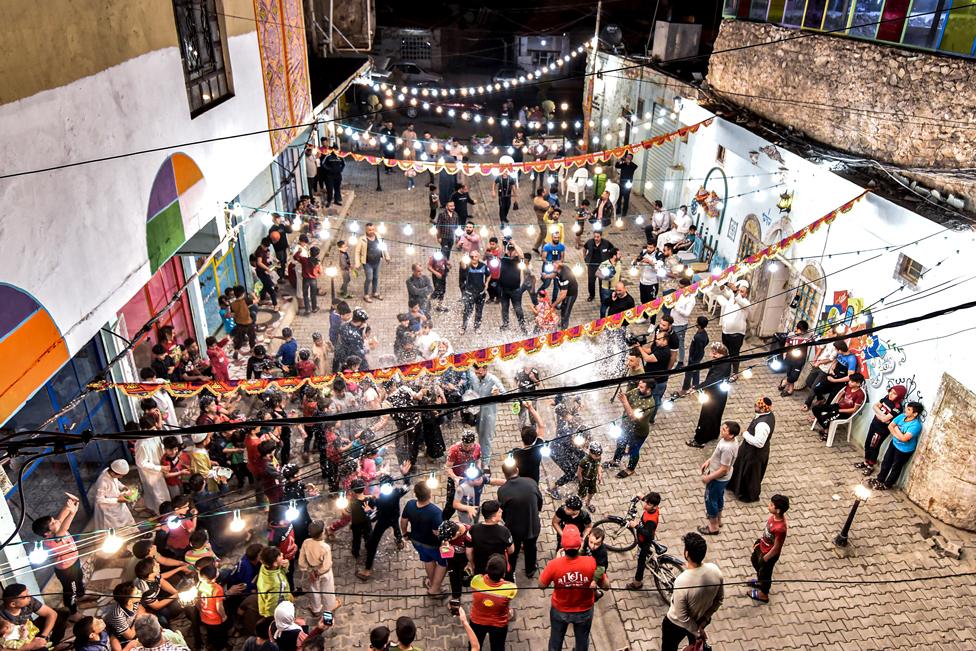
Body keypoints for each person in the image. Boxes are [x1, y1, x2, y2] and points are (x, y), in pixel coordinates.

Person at [660, 532, 724, 651]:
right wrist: (704, 620)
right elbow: (719, 600)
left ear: (686, 553)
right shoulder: (715, 570)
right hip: (701, 620)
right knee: (695, 646)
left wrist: (697, 632)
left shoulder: (681, 581)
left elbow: (682, 616)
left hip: (675, 624)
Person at [539, 524, 596, 651]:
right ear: (580, 545)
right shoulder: (591, 562)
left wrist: (556, 562)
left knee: (555, 641)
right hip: (584, 610)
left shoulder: (554, 564)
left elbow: (541, 585)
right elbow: (606, 585)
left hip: (560, 610)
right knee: (582, 642)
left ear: (563, 547)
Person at [32, 495, 90, 618]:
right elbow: (65, 527)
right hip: (66, 571)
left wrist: (69, 505)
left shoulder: (56, 529)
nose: (57, 521)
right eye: (53, 523)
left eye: (54, 520)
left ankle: (81, 595)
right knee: (70, 591)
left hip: (74, 562)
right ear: (47, 533)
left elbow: (61, 518)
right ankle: (73, 612)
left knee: (79, 579)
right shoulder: (52, 541)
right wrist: (72, 513)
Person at [497, 463, 543, 580]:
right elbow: (540, 501)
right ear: (517, 469)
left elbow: (504, 510)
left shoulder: (502, 490)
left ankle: (510, 572)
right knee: (531, 548)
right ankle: (530, 570)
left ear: (504, 474)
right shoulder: (531, 482)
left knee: (513, 551)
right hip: (532, 525)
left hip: (514, 528)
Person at [401, 482, 447, 597]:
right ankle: (434, 590)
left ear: (416, 494)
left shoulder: (410, 504)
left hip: (416, 541)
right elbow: (436, 532)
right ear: (430, 494)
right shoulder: (435, 512)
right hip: (432, 545)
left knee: (428, 561)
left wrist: (405, 533)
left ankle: (431, 582)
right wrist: (445, 542)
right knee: (443, 563)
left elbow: (403, 521)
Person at [727, 397, 776, 502]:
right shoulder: (767, 415)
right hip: (749, 450)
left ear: (763, 409)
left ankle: (748, 495)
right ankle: (734, 486)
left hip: (755, 453)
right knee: (741, 468)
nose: (755, 406)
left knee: (750, 475)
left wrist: (745, 434)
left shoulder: (763, 424)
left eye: (757, 406)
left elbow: (759, 443)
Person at [361, 476, 408, 579]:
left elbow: (372, 517)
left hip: (382, 521)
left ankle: (367, 571)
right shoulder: (396, 492)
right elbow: (406, 487)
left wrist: (368, 510)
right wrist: (405, 475)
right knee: (396, 529)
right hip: (394, 517)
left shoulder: (378, 498)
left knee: (373, 543)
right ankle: (399, 542)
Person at [698, 421, 740, 535]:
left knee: (710, 500)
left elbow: (724, 469)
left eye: (724, 429)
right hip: (721, 477)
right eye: (723, 427)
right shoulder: (728, 440)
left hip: (718, 479)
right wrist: (709, 461)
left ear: (731, 435)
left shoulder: (727, 448)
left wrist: (709, 477)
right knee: (718, 497)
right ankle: (719, 519)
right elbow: (717, 453)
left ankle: (713, 527)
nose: (721, 429)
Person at [871, 401, 925, 490]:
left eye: (909, 409)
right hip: (894, 443)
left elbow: (904, 439)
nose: (906, 410)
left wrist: (896, 429)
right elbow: (890, 426)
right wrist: (898, 435)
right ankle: (880, 480)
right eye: (907, 408)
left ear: (915, 414)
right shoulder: (902, 416)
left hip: (904, 450)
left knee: (896, 467)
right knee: (886, 461)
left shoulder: (916, 425)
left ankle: (887, 484)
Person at [608, 379, 657, 478]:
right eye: (639, 385)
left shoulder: (649, 404)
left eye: (642, 387)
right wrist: (622, 395)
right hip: (626, 427)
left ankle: (630, 469)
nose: (638, 387)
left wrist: (625, 402)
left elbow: (632, 416)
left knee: (634, 451)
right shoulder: (636, 391)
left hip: (638, 432)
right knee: (621, 443)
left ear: (649, 389)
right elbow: (626, 396)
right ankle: (616, 461)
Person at [855, 385, 907, 477]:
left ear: (899, 396)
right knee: (867, 443)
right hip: (874, 424)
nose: (891, 394)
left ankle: (870, 466)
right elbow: (875, 406)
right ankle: (866, 462)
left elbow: (884, 420)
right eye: (891, 391)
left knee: (874, 446)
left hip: (881, 430)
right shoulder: (886, 398)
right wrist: (882, 415)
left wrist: (880, 414)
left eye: (894, 393)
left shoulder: (897, 407)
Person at [687, 343, 733, 448]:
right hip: (720, 394)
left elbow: (711, 381)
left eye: (715, 354)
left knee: (706, 417)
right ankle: (712, 434)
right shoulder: (726, 361)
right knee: (715, 415)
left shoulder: (722, 366)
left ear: (722, 354)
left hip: (713, 395)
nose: (712, 356)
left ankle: (700, 440)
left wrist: (696, 388)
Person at [469, 554, 517, 651]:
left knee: (475, 646)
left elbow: (480, 577)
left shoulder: (476, 581)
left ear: (487, 569)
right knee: (498, 647)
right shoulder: (510, 588)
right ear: (503, 574)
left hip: (476, 621)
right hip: (498, 624)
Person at [748, 494, 790, 604]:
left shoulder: (781, 528)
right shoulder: (774, 517)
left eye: (772, 505)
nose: (769, 506)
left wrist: (766, 558)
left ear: (778, 510)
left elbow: (777, 547)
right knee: (755, 562)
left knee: (765, 573)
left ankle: (763, 594)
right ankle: (760, 581)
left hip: (769, 554)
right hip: (762, 546)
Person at [1, 584, 68, 646]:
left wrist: (43, 637)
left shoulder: (29, 601)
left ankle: (53, 644)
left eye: (28, 593)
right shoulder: (2, 617)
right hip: (19, 641)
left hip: (32, 629)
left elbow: (51, 614)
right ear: (13, 604)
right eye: (25, 597)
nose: (29, 596)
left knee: (63, 613)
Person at [707, 279, 750, 373]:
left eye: (742, 291)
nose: (739, 292)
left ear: (746, 294)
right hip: (726, 331)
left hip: (736, 334)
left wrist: (735, 291)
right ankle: (725, 370)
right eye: (739, 290)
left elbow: (739, 299)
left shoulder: (746, 303)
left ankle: (735, 372)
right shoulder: (732, 297)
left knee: (734, 354)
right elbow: (724, 292)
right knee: (725, 353)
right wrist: (723, 283)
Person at [812, 372, 866, 441]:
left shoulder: (860, 394)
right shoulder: (848, 387)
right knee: (815, 409)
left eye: (852, 382)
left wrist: (840, 410)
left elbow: (854, 410)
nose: (849, 383)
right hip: (838, 406)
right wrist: (837, 402)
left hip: (845, 413)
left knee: (823, 418)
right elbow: (841, 393)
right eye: (849, 381)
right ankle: (826, 428)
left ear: (858, 384)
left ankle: (826, 433)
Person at [466, 365, 504, 463]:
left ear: (485, 369)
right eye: (475, 370)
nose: (476, 373)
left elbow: (505, 394)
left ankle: (485, 463)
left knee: (486, 438)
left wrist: (498, 394)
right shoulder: (473, 377)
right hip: (476, 413)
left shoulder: (493, 380)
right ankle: (479, 454)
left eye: (479, 370)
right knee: (480, 434)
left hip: (488, 414)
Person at [625, 491, 662, 590]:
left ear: (654, 506)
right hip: (644, 537)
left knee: (641, 562)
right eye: (646, 502)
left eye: (648, 504)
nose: (645, 505)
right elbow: (648, 500)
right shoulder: (654, 508)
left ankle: (637, 583)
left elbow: (648, 535)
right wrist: (642, 497)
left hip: (644, 541)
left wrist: (636, 526)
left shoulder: (651, 520)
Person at [466, 500, 514, 575]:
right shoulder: (504, 531)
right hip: (499, 567)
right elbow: (511, 550)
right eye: (499, 511)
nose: (501, 510)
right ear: (493, 518)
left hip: (480, 566)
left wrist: (472, 564)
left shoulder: (473, 529)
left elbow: (469, 552)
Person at [93, 459, 136, 533]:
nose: (121, 477)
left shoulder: (109, 471)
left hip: (118, 502)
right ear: (114, 473)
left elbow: (116, 481)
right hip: (108, 508)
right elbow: (99, 500)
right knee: (115, 527)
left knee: (125, 519)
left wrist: (123, 487)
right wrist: (117, 500)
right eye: (121, 475)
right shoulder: (103, 482)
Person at [355, 223, 390, 303]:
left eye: (373, 229)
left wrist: (387, 256)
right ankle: (366, 294)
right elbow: (357, 252)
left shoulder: (378, 236)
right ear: (366, 230)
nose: (371, 231)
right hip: (367, 262)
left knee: (376, 277)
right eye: (369, 230)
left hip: (377, 261)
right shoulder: (362, 239)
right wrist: (357, 263)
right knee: (369, 278)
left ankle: (375, 292)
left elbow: (383, 246)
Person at [257, 547, 292, 617]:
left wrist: (285, 566)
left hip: (262, 600)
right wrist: (271, 617)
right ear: (275, 564)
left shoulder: (264, 566)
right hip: (277, 609)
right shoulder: (277, 584)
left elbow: (279, 572)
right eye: (279, 555)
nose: (282, 554)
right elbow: (272, 605)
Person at [778, 320, 811, 395]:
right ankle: (790, 390)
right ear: (797, 328)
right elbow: (787, 343)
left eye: (804, 331)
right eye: (801, 330)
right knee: (789, 373)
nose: (803, 333)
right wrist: (784, 353)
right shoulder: (791, 334)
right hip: (790, 357)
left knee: (794, 377)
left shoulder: (809, 335)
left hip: (800, 360)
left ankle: (784, 382)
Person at [460, 250, 490, 334]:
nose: (474, 258)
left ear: (479, 257)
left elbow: (489, 274)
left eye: (475, 256)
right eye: (472, 256)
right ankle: (463, 327)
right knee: (467, 311)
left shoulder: (483, 266)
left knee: (479, 311)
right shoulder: (468, 265)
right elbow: (463, 266)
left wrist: (486, 283)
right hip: (469, 293)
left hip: (481, 293)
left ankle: (477, 327)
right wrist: (463, 258)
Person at [581, 231, 615, 303]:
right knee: (591, 282)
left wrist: (610, 260)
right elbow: (584, 248)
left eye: (597, 237)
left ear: (601, 236)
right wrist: (585, 257)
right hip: (592, 265)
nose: (596, 238)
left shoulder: (606, 243)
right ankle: (591, 295)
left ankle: (602, 298)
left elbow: (613, 250)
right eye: (595, 236)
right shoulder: (590, 242)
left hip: (602, 266)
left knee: (601, 283)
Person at [682, 316, 710, 394]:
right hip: (698, 357)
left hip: (695, 358)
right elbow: (707, 341)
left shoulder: (698, 337)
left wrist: (693, 359)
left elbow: (699, 349)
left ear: (700, 325)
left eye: (697, 322)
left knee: (688, 373)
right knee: (696, 370)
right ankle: (696, 385)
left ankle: (685, 388)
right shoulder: (703, 333)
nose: (695, 323)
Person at [551, 260, 579, 330]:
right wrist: (547, 276)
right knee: (563, 308)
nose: (552, 266)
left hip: (571, 294)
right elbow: (554, 274)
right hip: (565, 292)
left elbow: (563, 295)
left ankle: (564, 330)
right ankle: (562, 323)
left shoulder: (564, 276)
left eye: (554, 265)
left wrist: (553, 305)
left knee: (566, 313)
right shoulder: (559, 269)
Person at [576, 442, 602, 511]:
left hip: (593, 479)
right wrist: (581, 481)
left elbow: (599, 465)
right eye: (596, 455)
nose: (597, 457)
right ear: (590, 452)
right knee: (582, 494)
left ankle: (588, 503)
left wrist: (599, 475)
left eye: (599, 455)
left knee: (592, 492)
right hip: (584, 479)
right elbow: (579, 472)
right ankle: (579, 505)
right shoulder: (584, 460)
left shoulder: (598, 458)